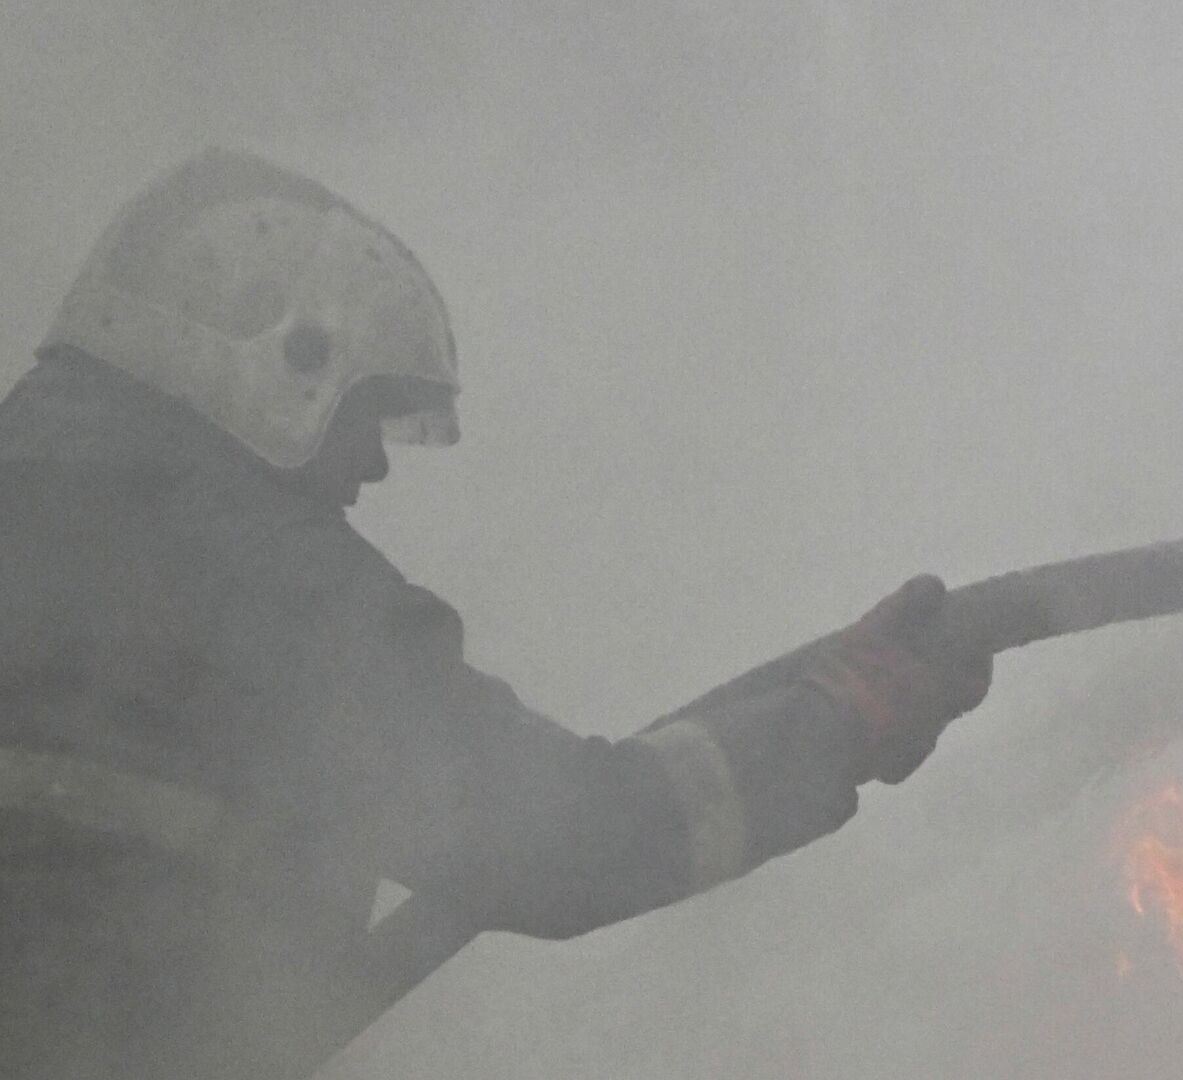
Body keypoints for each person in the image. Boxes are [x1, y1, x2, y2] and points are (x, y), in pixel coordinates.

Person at [0, 148, 993, 1080]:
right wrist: (841, 720)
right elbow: (565, 843)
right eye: (361, 414)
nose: (374, 463)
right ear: (277, 353)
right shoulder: (265, 584)